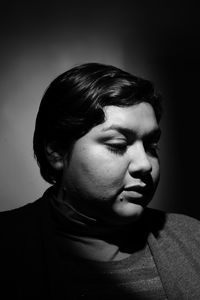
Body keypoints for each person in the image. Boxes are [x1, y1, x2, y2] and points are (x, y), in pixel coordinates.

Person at [1, 63, 200, 300]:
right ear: (56, 152)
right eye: (117, 145)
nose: (145, 164)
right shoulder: (8, 244)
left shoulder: (193, 238)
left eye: (151, 146)